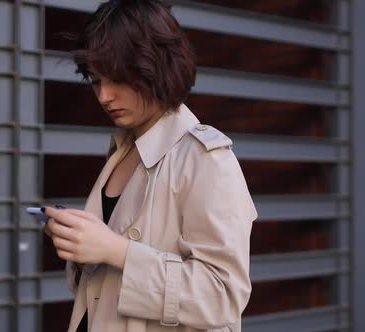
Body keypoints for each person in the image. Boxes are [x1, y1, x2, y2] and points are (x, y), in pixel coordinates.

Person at [43, 0, 257, 331]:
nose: (104, 96)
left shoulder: (206, 159)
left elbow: (222, 296)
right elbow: (101, 289)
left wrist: (116, 250)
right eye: (96, 80)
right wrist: (79, 241)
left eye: (116, 78)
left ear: (154, 67)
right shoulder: (122, 149)